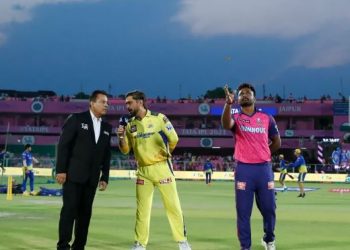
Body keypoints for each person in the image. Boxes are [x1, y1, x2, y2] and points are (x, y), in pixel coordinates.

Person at [117, 90, 191, 250]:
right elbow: (125, 150)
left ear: (140, 102)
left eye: (129, 103)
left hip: (162, 168)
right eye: (126, 104)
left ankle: (182, 242)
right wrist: (121, 136)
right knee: (142, 210)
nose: (127, 106)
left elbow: (174, 139)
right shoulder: (129, 124)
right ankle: (140, 244)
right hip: (143, 171)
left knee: (173, 206)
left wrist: (164, 154)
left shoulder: (159, 118)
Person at [221, 83, 281, 250]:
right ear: (238, 99)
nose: (245, 95)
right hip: (244, 170)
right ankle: (245, 247)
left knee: (269, 209)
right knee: (243, 213)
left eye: (248, 93)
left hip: (263, 169)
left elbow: (277, 142)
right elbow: (226, 124)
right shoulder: (237, 118)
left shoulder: (267, 118)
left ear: (255, 98)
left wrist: (263, 153)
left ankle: (269, 239)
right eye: (241, 94)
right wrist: (228, 104)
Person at [56, 90, 112, 250]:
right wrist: (61, 170)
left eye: (107, 102)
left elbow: (106, 155)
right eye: (103, 102)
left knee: (85, 215)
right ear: (92, 103)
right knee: (69, 212)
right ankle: (63, 246)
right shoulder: (76, 119)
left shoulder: (107, 127)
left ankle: (79, 246)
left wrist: (105, 177)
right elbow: (63, 146)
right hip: (73, 176)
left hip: (92, 180)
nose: (106, 105)